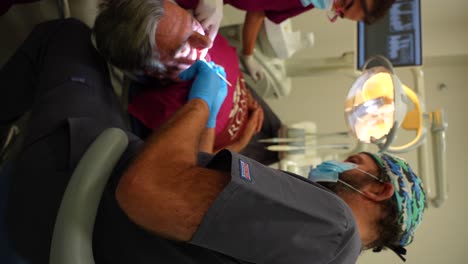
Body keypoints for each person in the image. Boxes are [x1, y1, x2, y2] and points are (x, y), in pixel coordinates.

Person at [3, 18, 426, 264]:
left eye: (356, 160)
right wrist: (227, 146)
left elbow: (147, 190)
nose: (341, 163)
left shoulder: (334, 229)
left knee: (68, 36)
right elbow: (195, 204)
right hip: (85, 231)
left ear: (379, 188)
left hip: (70, 194)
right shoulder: (323, 250)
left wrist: (204, 100)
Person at [93, 0, 281, 163]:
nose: (206, 41)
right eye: (183, 48)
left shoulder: (202, 31)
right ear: (155, 71)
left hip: (249, 108)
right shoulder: (166, 112)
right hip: (235, 148)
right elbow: (197, 170)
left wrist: (245, 96)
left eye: (192, 23)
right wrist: (244, 139)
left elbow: (231, 69)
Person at [177, 0, 396, 81]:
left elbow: (259, 11)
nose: (335, 8)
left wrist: (249, 55)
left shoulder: (308, 3)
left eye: (340, 13)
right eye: (346, 4)